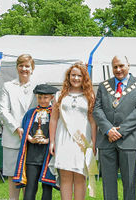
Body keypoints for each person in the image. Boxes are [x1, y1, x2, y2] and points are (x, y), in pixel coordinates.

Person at [93, 55, 136, 200]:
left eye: (121, 66)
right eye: (115, 66)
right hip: (106, 140)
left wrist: (120, 131)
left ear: (128, 65)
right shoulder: (104, 86)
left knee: (129, 183)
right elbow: (97, 110)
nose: (118, 69)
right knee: (108, 183)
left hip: (129, 140)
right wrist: (109, 129)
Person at [49, 62, 97, 200]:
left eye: (79, 76)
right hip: (63, 139)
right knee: (65, 177)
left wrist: (94, 142)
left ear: (84, 78)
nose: (75, 78)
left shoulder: (89, 96)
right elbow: (53, 119)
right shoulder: (59, 95)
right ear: (68, 76)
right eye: (73, 75)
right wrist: (52, 141)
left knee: (80, 176)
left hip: (82, 140)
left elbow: (93, 121)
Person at [0, 54, 38, 200]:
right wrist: (16, 128)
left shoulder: (38, 87)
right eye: (21, 65)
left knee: (30, 177)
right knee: (13, 177)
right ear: (17, 67)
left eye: (27, 66)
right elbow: (3, 110)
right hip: (12, 138)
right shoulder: (7, 86)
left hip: (32, 140)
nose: (24, 69)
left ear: (32, 69)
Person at [13, 84, 58, 200]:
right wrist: (30, 139)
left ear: (52, 98)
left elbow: (59, 132)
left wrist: (48, 140)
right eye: (40, 97)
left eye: (45, 98)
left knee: (47, 187)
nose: (42, 100)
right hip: (32, 156)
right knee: (30, 186)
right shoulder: (30, 113)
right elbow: (24, 130)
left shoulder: (55, 113)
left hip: (48, 155)